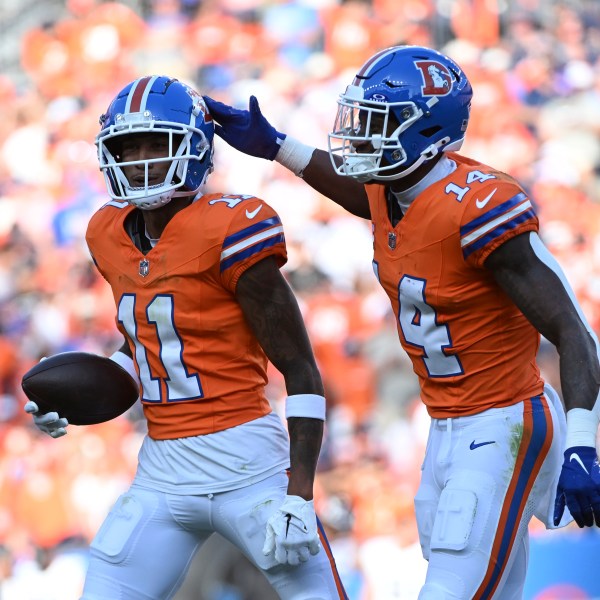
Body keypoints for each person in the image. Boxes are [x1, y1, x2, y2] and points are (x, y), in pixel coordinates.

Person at [203, 45, 600, 599]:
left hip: (503, 421)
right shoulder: (395, 189)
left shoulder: (478, 206)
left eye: (378, 122)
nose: (360, 135)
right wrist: (276, 147)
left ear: (429, 131)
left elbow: (571, 330)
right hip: (445, 428)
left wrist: (585, 440)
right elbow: (364, 197)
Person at [23, 75, 348, 600]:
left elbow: (302, 370)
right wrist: (73, 395)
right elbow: (147, 347)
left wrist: (300, 495)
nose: (143, 159)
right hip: (163, 470)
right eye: (130, 148)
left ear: (194, 149)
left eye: (158, 144)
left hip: (249, 464)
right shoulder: (105, 233)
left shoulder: (233, 225)